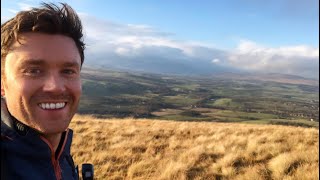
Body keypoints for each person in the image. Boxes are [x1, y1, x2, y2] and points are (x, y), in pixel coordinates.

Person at [1, 2, 85, 179]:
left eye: (68, 71)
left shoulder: (61, 154)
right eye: (33, 70)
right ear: (2, 84)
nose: (55, 87)